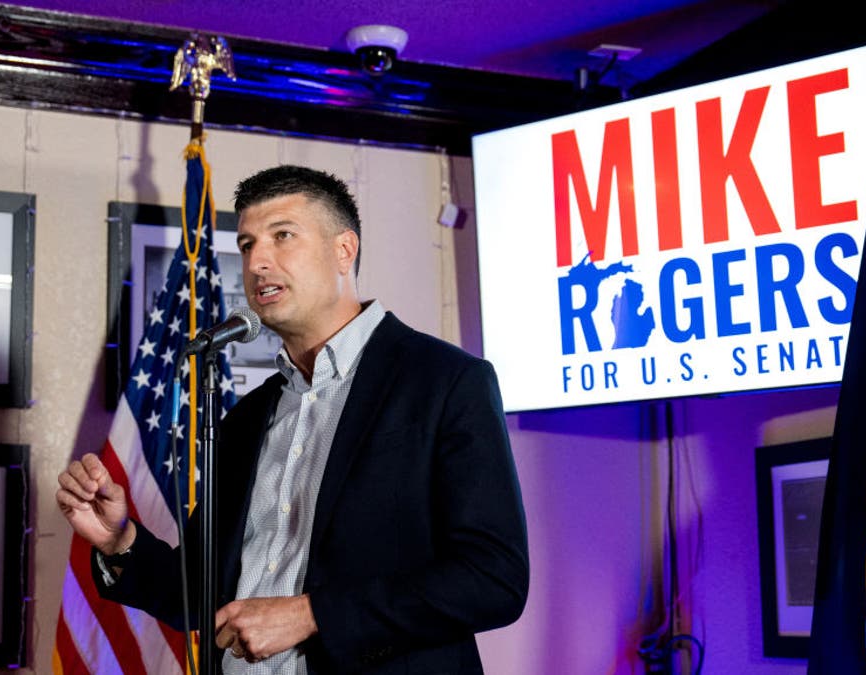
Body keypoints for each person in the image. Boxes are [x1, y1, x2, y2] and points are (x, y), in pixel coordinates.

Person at [57, 165, 528, 674]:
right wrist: (119, 540)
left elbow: (494, 578)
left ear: (343, 251)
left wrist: (312, 615)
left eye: (283, 236)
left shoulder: (446, 381)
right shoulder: (246, 418)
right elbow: (201, 594)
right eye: (247, 244)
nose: (258, 261)